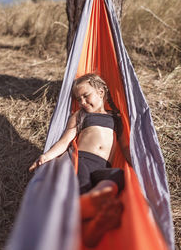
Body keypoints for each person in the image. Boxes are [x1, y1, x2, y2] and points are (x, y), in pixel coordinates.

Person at [29, 73, 131, 247]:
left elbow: (125, 147)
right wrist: (45, 156)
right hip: (82, 161)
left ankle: (97, 198)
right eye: (79, 99)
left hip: (103, 167)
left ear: (100, 92)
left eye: (86, 96)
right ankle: (88, 219)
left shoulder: (117, 118)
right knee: (81, 189)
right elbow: (64, 141)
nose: (82, 102)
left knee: (119, 176)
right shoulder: (80, 116)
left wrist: (139, 164)